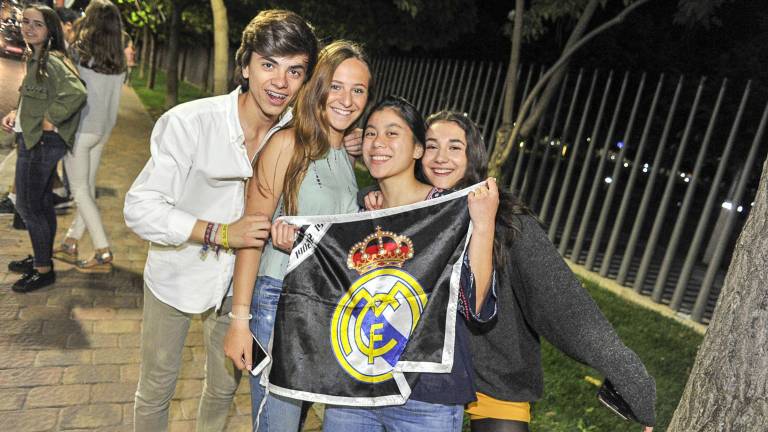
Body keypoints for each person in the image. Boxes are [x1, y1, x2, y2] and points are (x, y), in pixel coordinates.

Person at [367, 111, 656, 431]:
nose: (440, 158)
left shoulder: (508, 221)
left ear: (473, 155)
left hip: (494, 376)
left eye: (454, 148)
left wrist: (627, 374)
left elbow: (562, 302)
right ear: (419, 152)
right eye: (432, 146)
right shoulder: (409, 212)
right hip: (424, 375)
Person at [123, 10, 318, 431]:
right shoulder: (190, 122)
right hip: (176, 274)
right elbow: (140, 207)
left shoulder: (295, 132)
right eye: (268, 65)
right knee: (157, 387)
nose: (280, 83)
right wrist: (220, 232)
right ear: (245, 65)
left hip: (239, 285)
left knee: (223, 388)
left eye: (294, 71)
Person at [316, 96, 498, 432]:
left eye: (392, 133)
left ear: (416, 150)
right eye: (370, 133)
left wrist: (483, 227)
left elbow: (475, 306)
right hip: (356, 390)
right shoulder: (359, 210)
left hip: (427, 398)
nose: (378, 143)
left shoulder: (453, 212)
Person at [223, 40, 373, 431]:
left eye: (358, 90)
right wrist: (240, 322)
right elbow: (251, 236)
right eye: (336, 86)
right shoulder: (287, 144)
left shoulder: (345, 153)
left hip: (325, 305)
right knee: (278, 423)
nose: (347, 99)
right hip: (278, 301)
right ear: (318, 86)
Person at [1, 3, 86, 293]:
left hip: (42, 142)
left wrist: (52, 118)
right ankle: (41, 257)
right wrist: (16, 112)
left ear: (50, 29)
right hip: (34, 137)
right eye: (25, 22)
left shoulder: (51, 60)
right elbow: (34, 93)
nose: (28, 28)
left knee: (27, 205)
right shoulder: (36, 55)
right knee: (41, 203)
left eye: (37, 24)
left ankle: (43, 270)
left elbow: (77, 92)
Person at [53, 0, 126, 273]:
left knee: (80, 191)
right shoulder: (118, 62)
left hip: (81, 131)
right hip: (103, 131)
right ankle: (72, 239)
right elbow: (114, 103)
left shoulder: (79, 55)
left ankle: (102, 249)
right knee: (88, 188)